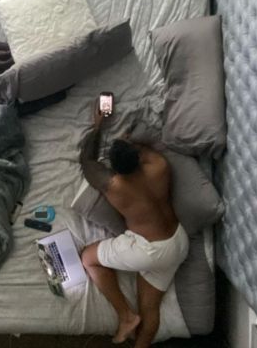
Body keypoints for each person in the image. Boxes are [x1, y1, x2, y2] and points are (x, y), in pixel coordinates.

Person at [79, 100, 189, 348]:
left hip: (149, 250)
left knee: (88, 258)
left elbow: (87, 162)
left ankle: (126, 316)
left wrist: (98, 124)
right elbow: (139, 147)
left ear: (115, 169)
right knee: (149, 310)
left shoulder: (115, 186)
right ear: (138, 157)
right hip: (177, 242)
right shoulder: (159, 165)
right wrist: (129, 140)